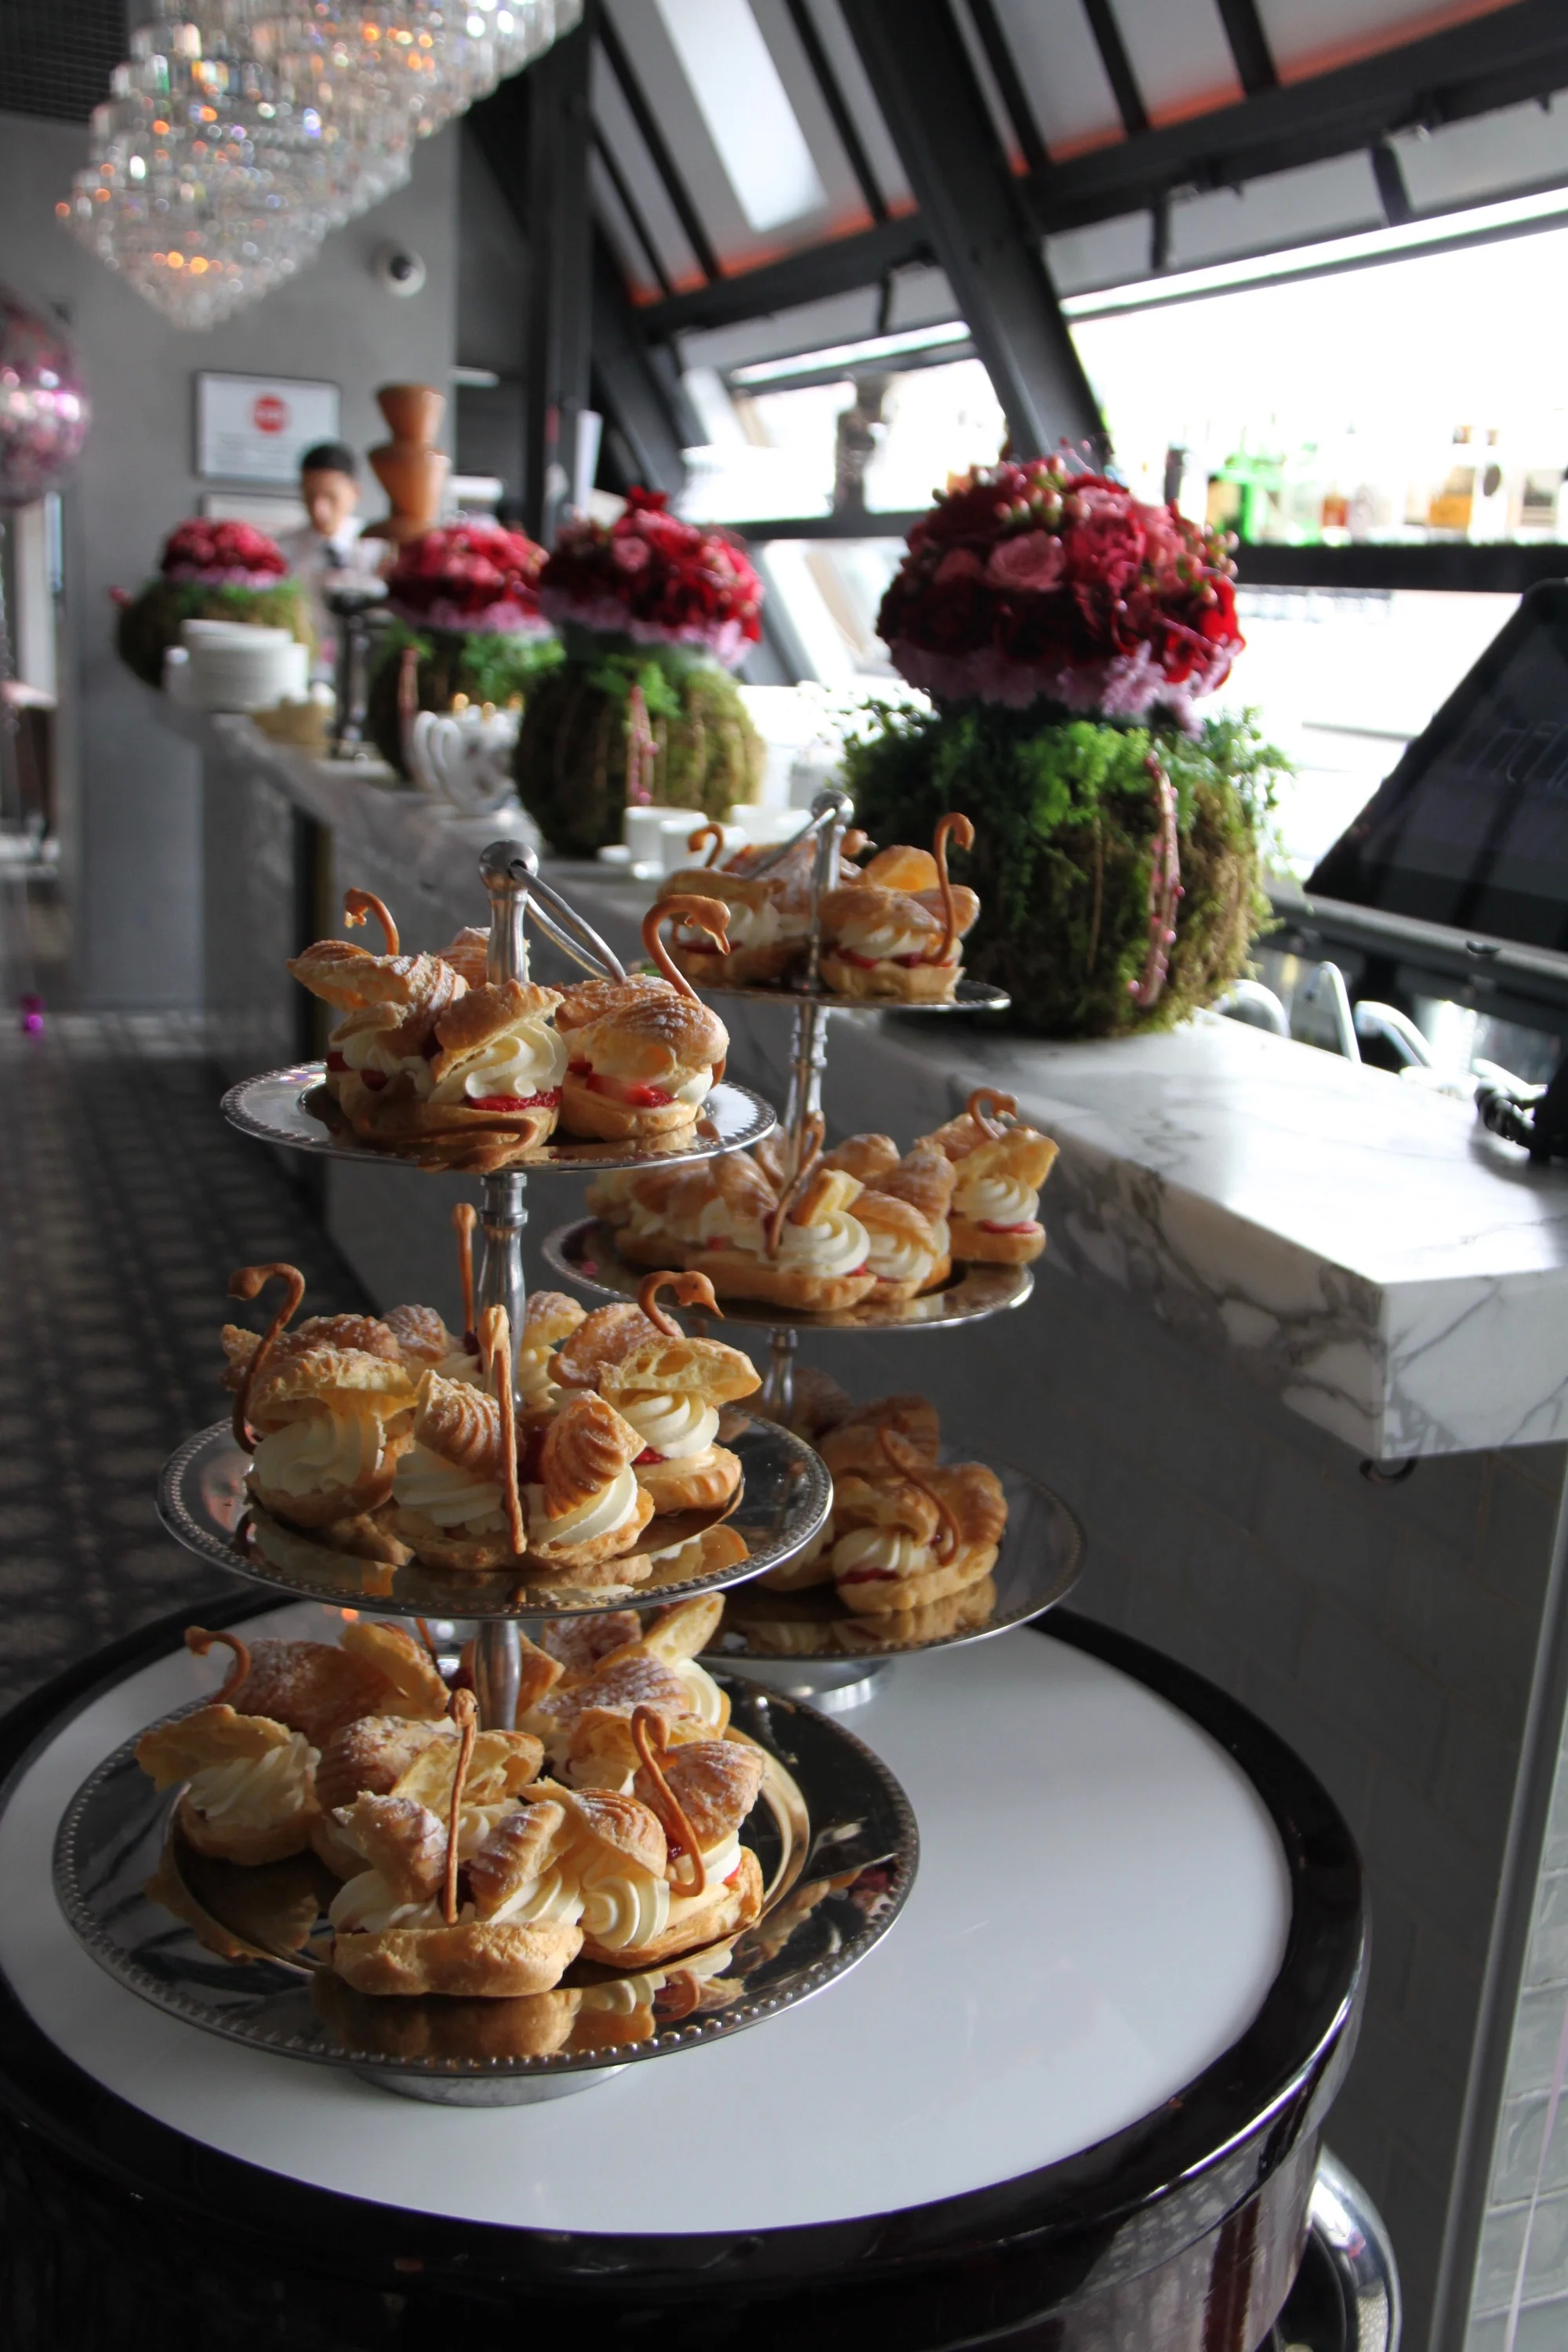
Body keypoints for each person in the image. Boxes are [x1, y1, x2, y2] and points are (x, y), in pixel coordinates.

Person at [276, 441, 385, 681]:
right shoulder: (282, 552)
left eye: (330, 497)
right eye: (309, 496)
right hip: (300, 671)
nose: (319, 510)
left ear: (355, 493)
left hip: (365, 670)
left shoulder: (377, 547)